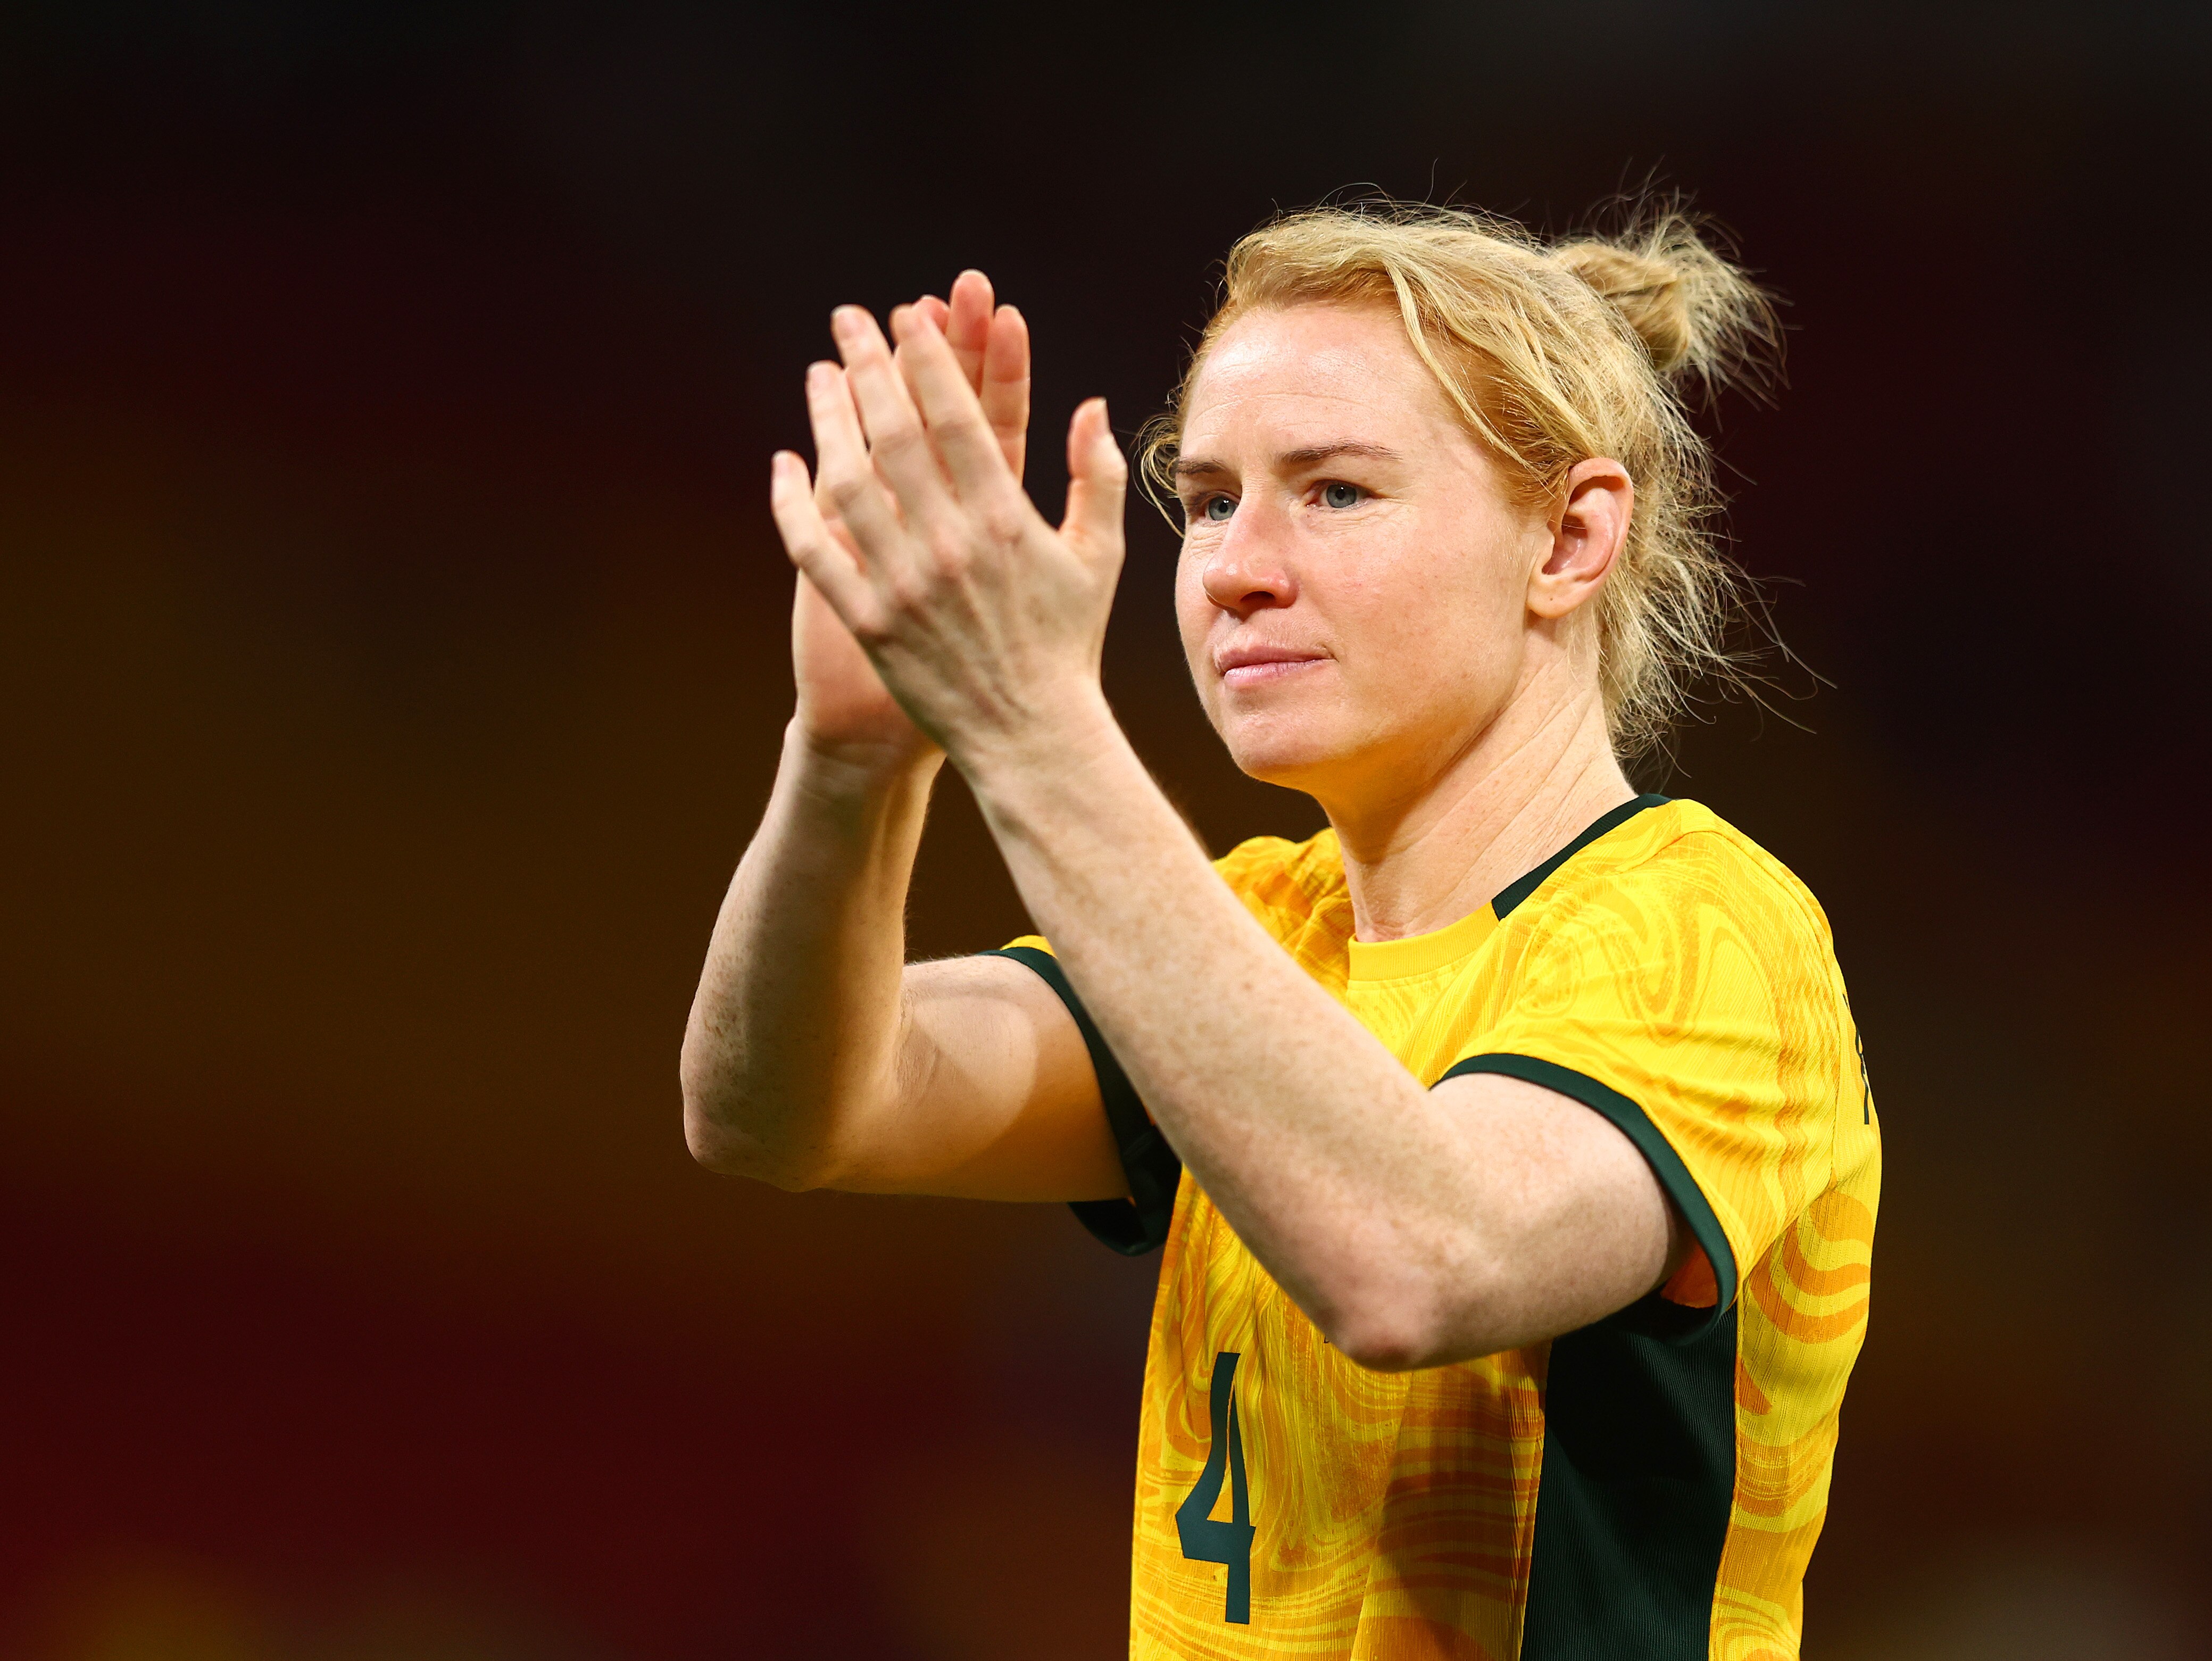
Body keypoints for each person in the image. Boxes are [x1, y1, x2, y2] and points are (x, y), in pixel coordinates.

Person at [681, 201, 1880, 1660]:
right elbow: (785, 1109)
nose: (1234, 567)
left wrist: (1032, 722)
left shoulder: (1706, 931)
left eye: (1335, 492)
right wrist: (852, 760)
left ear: (1569, 539)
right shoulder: (1263, 923)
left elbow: (1417, 1262)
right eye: (1208, 501)